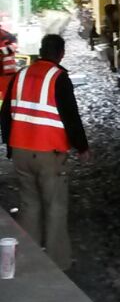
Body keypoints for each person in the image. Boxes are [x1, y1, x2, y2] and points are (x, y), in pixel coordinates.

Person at [0, 34, 89, 270]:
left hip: (21, 151)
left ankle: (29, 260)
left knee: (29, 206)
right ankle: (56, 264)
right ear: (61, 53)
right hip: (49, 153)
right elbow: (71, 117)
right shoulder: (59, 77)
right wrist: (82, 147)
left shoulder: (20, 75)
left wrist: (9, 147)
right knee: (55, 207)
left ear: (40, 51)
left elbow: (5, 114)